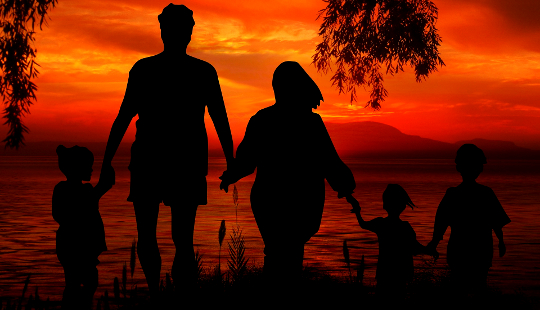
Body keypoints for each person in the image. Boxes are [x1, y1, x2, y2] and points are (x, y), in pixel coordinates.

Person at [100, 4, 234, 296]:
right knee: (161, 237)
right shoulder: (151, 69)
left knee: (175, 238)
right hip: (156, 160)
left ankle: (167, 296)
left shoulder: (195, 71)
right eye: (170, 27)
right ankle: (159, 294)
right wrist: (106, 161)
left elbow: (220, 118)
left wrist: (232, 160)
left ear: (187, 32)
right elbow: (124, 116)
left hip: (176, 162)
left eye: (178, 28)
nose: (174, 33)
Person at [219, 61, 356, 287]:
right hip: (299, 200)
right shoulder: (310, 122)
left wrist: (231, 174)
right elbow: (329, 161)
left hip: (270, 199)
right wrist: (344, 183)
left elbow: (246, 161)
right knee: (288, 254)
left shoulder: (262, 119)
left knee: (277, 253)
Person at [427, 144, 511, 292]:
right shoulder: (485, 193)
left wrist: (434, 243)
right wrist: (501, 241)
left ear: (459, 168)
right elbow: (496, 221)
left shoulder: (454, 194)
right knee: (478, 286)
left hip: (461, 249)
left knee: (460, 287)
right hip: (480, 248)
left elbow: (441, 222)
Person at [53, 145, 114, 309]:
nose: (92, 169)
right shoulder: (75, 190)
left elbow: (95, 195)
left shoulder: (79, 189)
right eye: (89, 165)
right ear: (77, 167)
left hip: (73, 245)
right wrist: (104, 186)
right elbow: (61, 214)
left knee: (82, 282)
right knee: (82, 282)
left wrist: (104, 186)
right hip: (75, 246)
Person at [349, 184, 437, 298]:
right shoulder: (405, 227)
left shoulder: (381, 223)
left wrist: (357, 210)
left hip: (385, 271)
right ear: (402, 206)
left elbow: (363, 224)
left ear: (385, 205)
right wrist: (429, 250)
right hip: (401, 272)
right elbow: (415, 247)